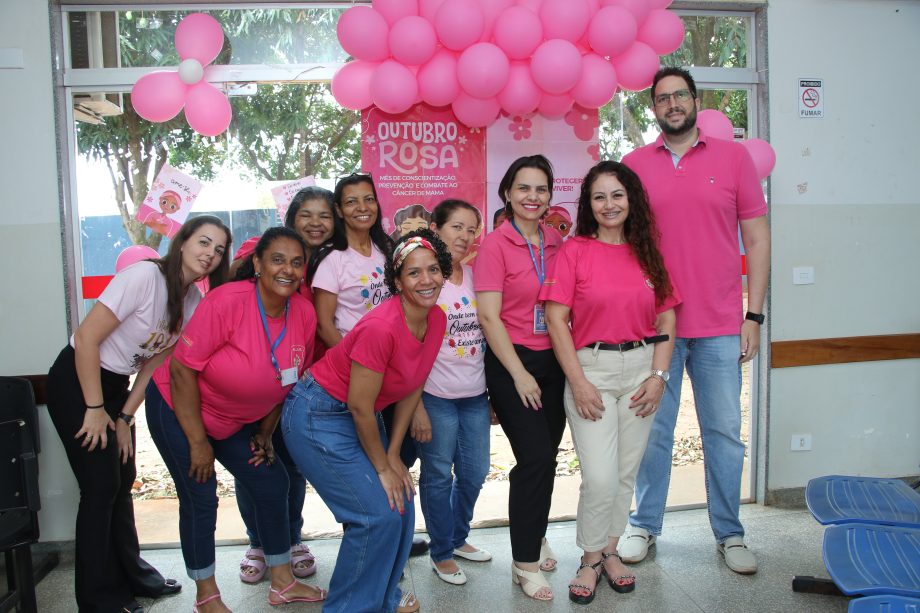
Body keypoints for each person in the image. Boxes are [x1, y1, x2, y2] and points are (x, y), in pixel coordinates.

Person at [618, 67, 770, 575]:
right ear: (653, 109)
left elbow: (758, 239)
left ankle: (730, 533)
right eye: (662, 98)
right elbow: (620, 244)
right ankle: (643, 524)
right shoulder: (634, 166)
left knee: (724, 432)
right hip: (656, 327)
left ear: (694, 100)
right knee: (652, 432)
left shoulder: (734, 158)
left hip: (722, 324)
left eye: (680, 95)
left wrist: (754, 314)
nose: (672, 104)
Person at [45, 215, 231, 613]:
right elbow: (86, 339)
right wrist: (95, 408)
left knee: (123, 477)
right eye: (203, 242)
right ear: (183, 242)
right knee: (99, 486)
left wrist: (125, 417)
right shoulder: (144, 277)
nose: (210, 254)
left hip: (115, 387)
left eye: (218, 250)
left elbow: (153, 366)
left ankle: (133, 575)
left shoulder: (194, 302)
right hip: (77, 378)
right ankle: (99, 599)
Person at [145, 227, 326, 612]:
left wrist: (265, 430)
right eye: (277, 260)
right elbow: (181, 371)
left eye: (297, 263)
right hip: (177, 409)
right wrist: (198, 442)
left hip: (233, 421)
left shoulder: (304, 313)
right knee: (201, 494)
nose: (288, 270)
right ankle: (207, 596)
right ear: (257, 263)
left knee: (271, 481)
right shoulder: (228, 301)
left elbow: (288, 377)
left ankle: (282, 582)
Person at [282, 229, 451, 613]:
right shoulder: (381, 326)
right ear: (397, 282)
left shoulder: (437, 319)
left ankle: (381, 598)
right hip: (318, 415)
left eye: (433, 269)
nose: (426, 279)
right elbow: (360, 406)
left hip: (360, 415)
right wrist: (382, 466)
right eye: (413, 273)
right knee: (375, 515)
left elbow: (412, 386)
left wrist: (393, 456)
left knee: (400, 502)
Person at [540, 161, 679, 604]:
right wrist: (578, 381)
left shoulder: (648, 252)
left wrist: (659, 377)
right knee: (599, 476)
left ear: (631, 199)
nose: (609, 204)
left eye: (617, 195)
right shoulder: (575, 251)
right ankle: (589, 557)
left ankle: (610, 552)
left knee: (624, 473)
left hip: (641, 370)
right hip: (591, 369)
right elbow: (556, 320)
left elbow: (666, 318)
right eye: (599, 196)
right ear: (589, 204)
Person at [474, 154, 565, 601]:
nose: (533, 196)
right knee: (534, 459)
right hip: (512, 362)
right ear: (508, 193)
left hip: (555, 361)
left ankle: (535, 532)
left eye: (541, 189)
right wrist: (519, 374)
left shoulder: (556, 239)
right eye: (524, 188)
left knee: (547, 458)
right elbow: (489, 318)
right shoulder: (495, 245)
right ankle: (524, 563)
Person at [235, 186, 335, 584]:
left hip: (305, 381)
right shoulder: (263, 253)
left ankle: (292, 539)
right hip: (255, 380)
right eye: (306, 214)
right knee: (254, 463)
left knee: (292, 465)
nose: (315, 222)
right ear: (291, 218)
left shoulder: (331, 261)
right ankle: (258, 542)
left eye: (324, 215)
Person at [412, 200, 492, 586]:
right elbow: (408, 348)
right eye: (457, 227)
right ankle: (441, 551)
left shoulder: (476, 275)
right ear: (435, 229)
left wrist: (494, 394)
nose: (465, 236)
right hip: (435, 396)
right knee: (438, 475)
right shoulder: (425, 278)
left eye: (471, 229)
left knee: (475, 472)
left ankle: (458, 538)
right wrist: (415, 406)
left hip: (475, 395)